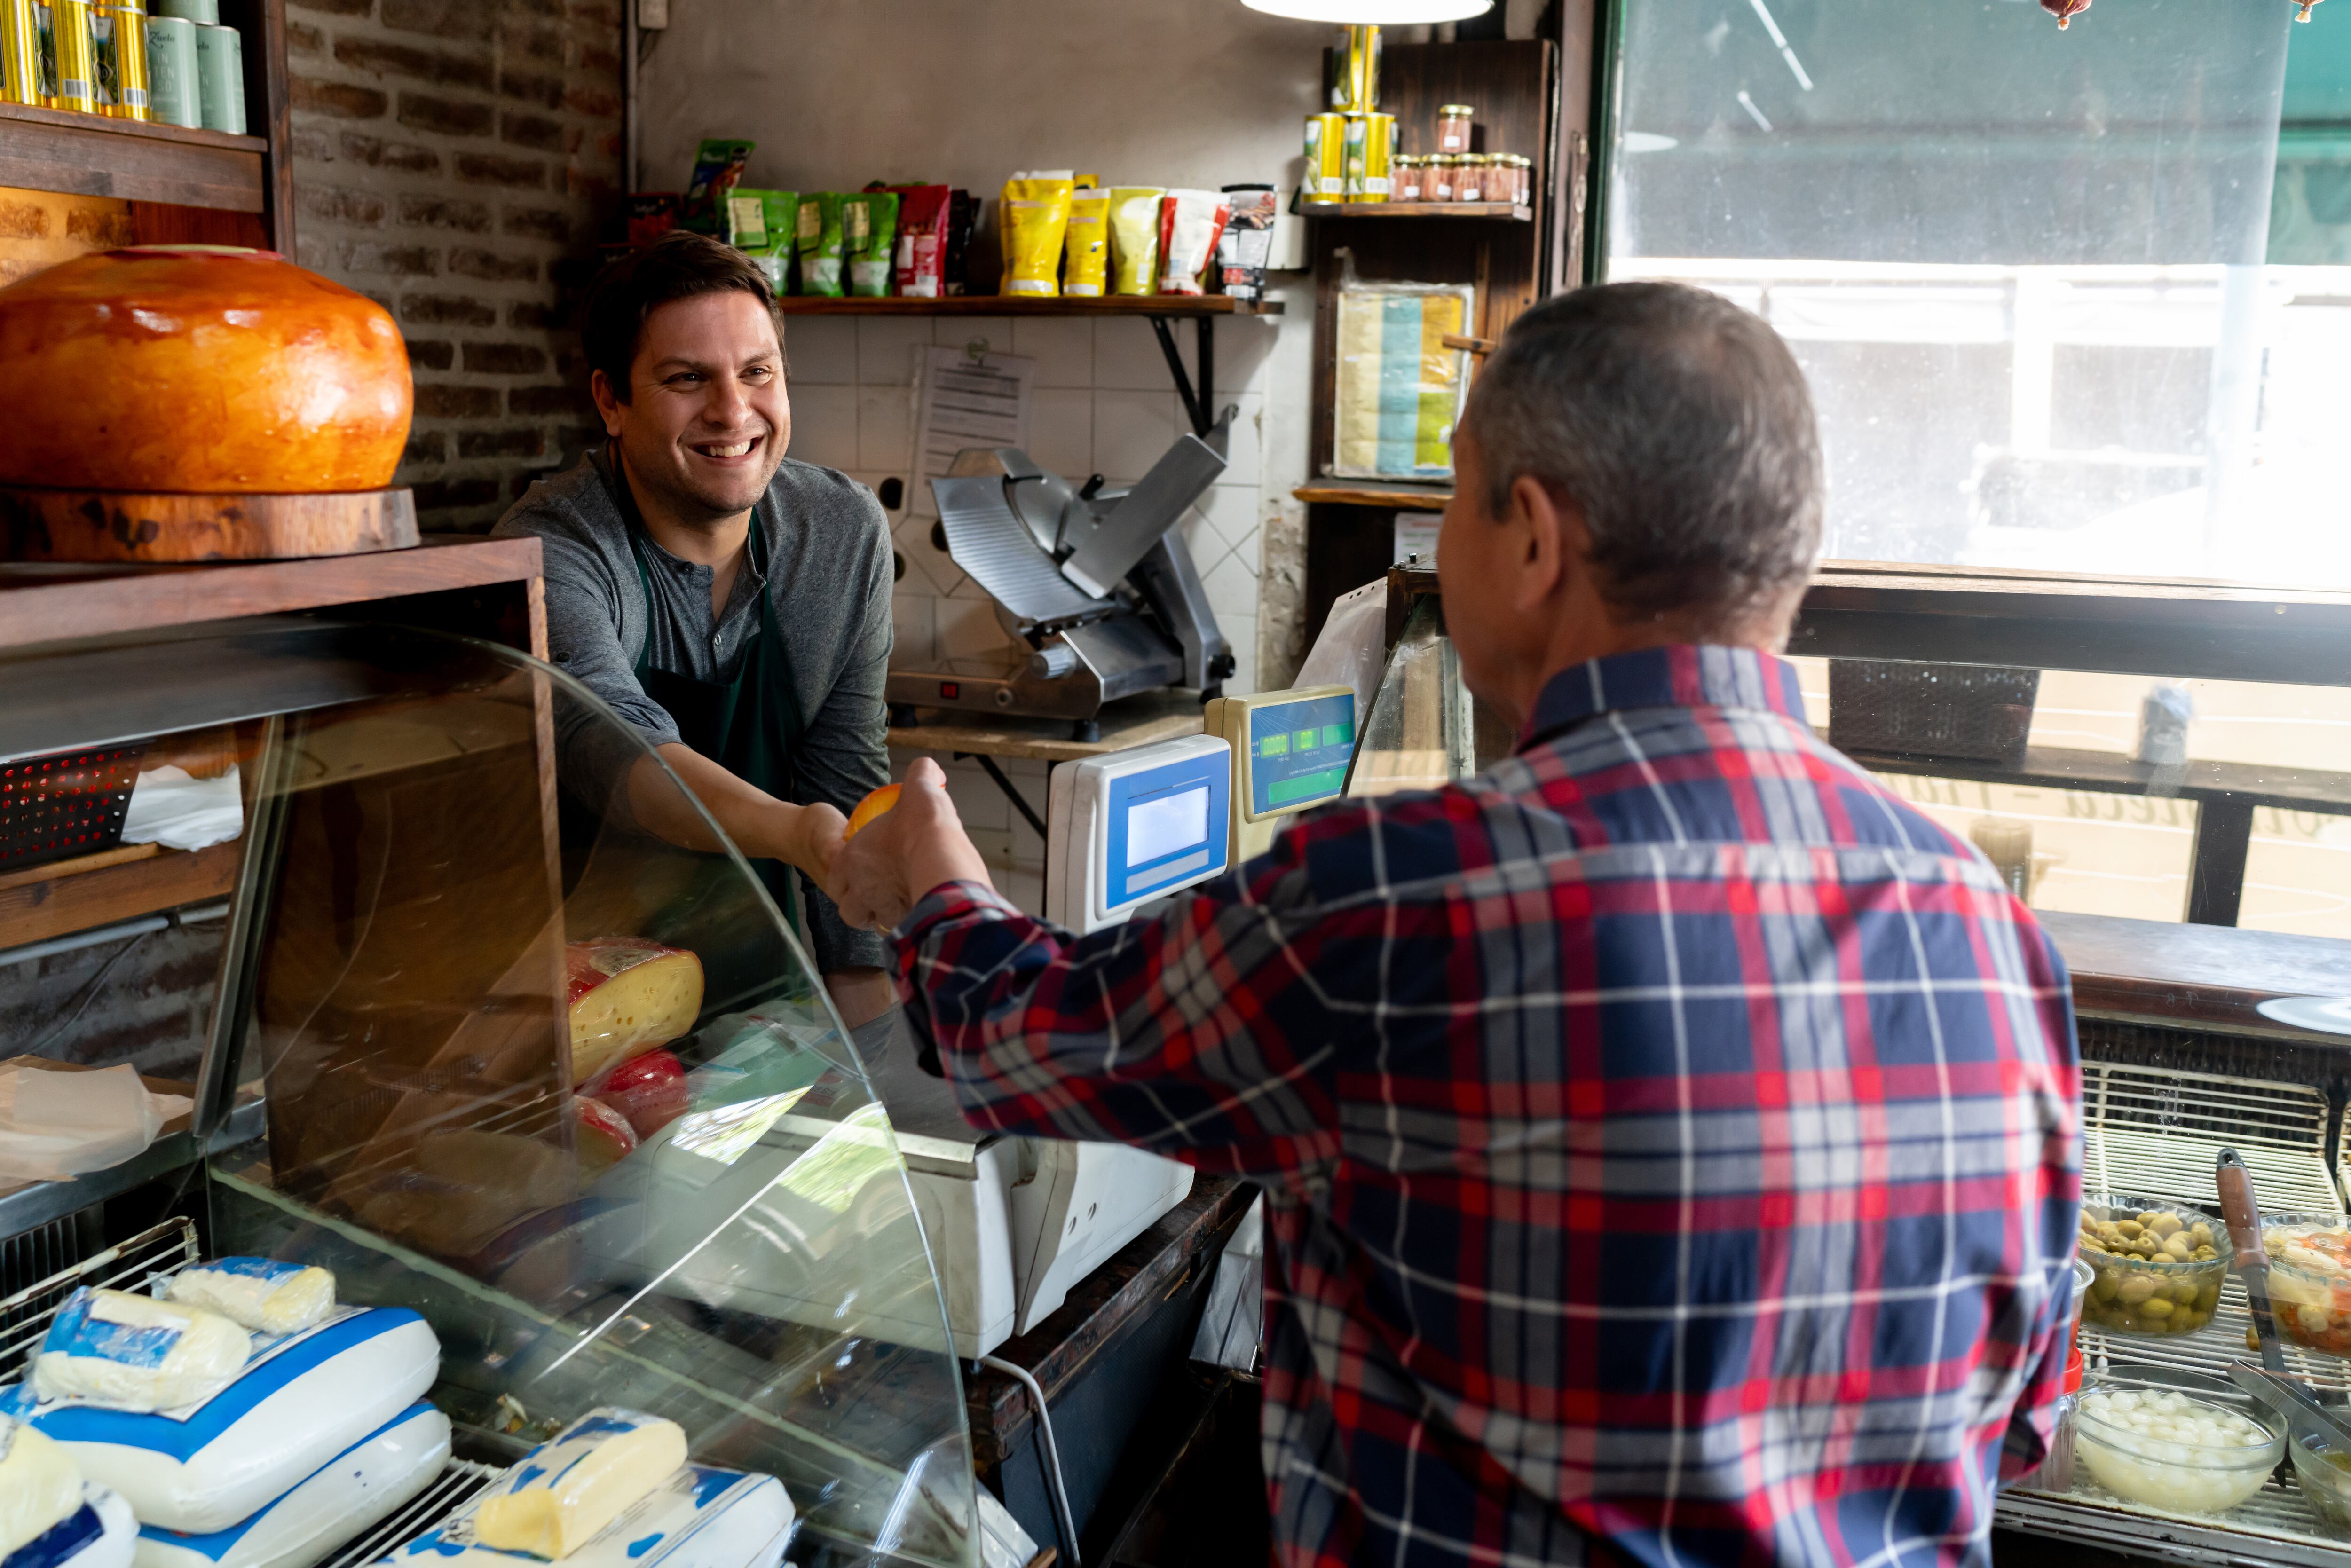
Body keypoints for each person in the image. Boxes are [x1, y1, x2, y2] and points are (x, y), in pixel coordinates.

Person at [829, 282, 2082, 1567]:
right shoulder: (1991, 930)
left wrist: (934, 881)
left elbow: (1021, 1038)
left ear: (1532, 542)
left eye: (1453, 498)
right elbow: (2030, 1410)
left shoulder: (1398, 903)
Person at [497, 231, 893, 1027]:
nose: (733, 411)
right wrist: (800, 836)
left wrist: (873, 1044)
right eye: (688, 379)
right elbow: (624, 752)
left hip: (760, 1012)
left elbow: (844, 778)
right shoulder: (552, 549)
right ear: (610, 400)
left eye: (758, 373)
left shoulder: (840, 533)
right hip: (571, 1015)